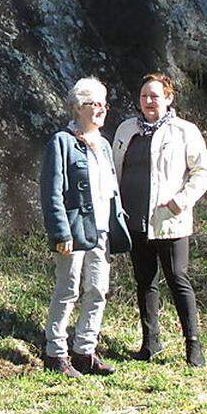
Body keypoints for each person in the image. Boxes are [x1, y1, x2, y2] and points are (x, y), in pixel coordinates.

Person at [113, 73, 207, 367]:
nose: (149, 101)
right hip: (134, 219)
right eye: (144, 96)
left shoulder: (185, 131)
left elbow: (202, 172)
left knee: (178, 279)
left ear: (168, 99)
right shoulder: (126, 129)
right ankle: (150, 342)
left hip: (169, 220)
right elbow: (115, 170)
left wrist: (181, 201)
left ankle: (193, 345)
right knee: (144, 281)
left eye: (155, 96)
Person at [38, 77, 131, 378]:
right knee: (67, 291)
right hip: (74, 231)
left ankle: (84, 352)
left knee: (97, 290)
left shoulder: (103, 145)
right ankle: (56, 353)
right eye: (95, 104)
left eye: (104, 103)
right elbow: (51, 192)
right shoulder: (61, 142)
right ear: (78, 108)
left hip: (101, 231)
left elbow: (110, 189)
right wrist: (60, 232)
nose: (102, 109)